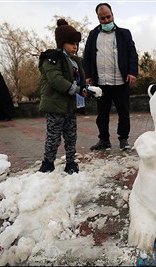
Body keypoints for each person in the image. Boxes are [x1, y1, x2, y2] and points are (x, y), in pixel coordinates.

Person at [83, 2, 138, 151]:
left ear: (113, 15)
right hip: (101, 83)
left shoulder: (124, 33)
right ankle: (104, 140)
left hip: (120, 81)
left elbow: (133, 54)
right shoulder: (93, 35)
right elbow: (87, 56)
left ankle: (124, 140)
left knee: (123, 112)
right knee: (102, 114)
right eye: (102, 18)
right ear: (98, 18)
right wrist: (88, 75)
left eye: (108, 17)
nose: (106, 20)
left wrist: (132, 72)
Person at [38, 18, 86, 174]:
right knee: (54, 136)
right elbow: (56, 80)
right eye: (71, 43)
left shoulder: (75, 61)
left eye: (77, 43)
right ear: (62, 43)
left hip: (70, 107)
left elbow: (80, 80)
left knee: (71, 136)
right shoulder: (52, 59)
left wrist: (85, 89)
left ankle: (70, 161)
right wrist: (75, 89)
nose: (75, 46)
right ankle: (48, 162)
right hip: (55, 106)